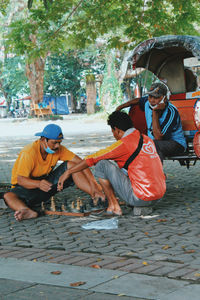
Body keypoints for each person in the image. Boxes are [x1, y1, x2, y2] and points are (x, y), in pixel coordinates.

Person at [57, 111, 166, 216]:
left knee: (102, 164)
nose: (114, 136)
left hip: (141, 198)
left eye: (113, 132)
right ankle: (119, 203)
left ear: (117, 130)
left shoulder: (124, 144)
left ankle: (114, 207)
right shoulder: (147, 139)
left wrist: (68, 172)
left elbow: (92, 159)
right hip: (159, 196)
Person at [3, 124, 104, 221]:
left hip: (46, 186)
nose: (57, 146)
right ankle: (26, 210)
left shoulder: (59, 149)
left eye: (59, 142)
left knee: (72, 166)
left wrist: (94, 185)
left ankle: (97, 196)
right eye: (54, 142)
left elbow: (82, 163)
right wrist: (38, 184)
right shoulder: (29, 152)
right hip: (25, 189)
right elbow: (21, 180)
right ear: (43, 140)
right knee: (8, 196)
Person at [116, 82, 187, 162]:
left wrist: (155, 113)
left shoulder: (171, 112)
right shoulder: (147, 102)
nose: (152, 100)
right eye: (150, 96)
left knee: (154, 145)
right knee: (134, 145)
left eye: (156, 98)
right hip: (154, 142)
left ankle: (156, 173)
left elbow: (158, 137)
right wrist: (120, 107)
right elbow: (138, 100)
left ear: (164, 99)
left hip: (176, 144)